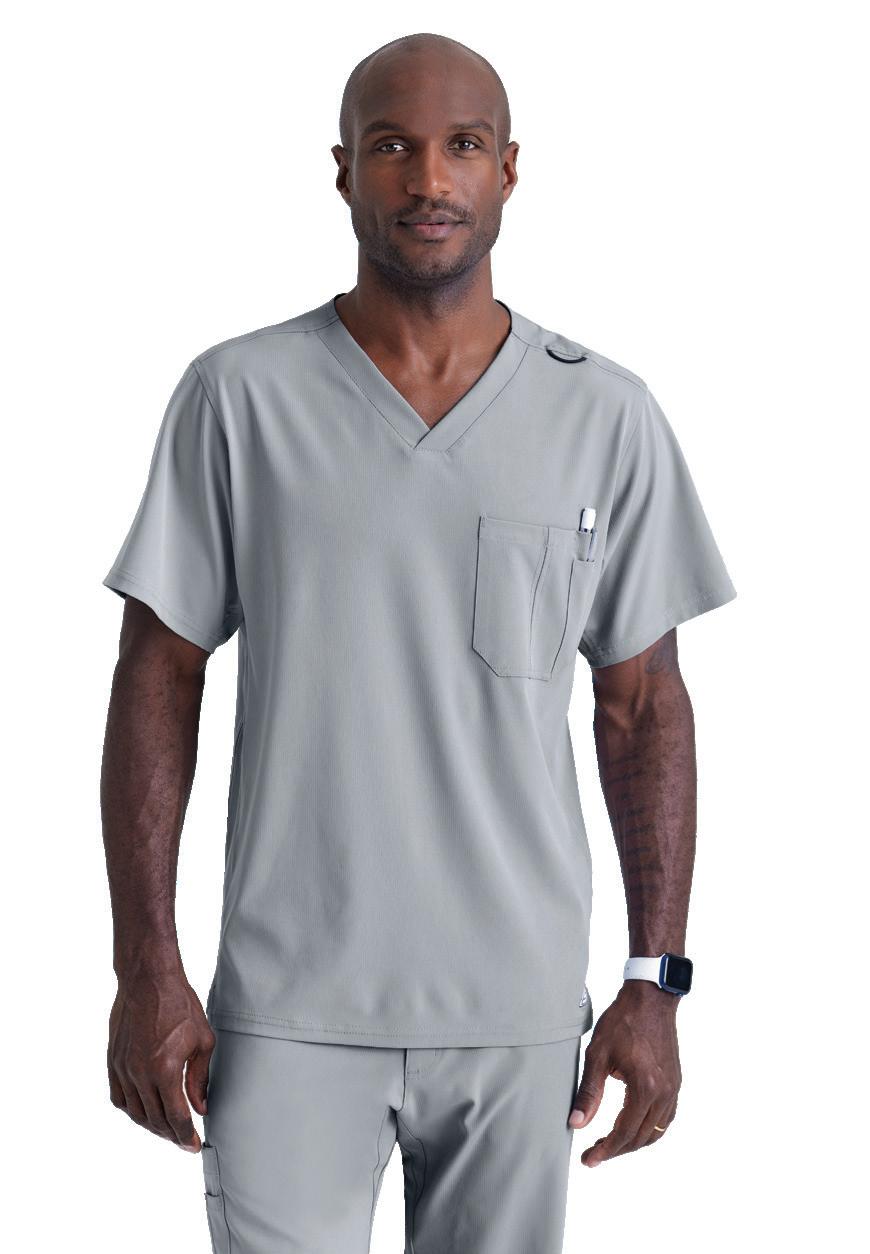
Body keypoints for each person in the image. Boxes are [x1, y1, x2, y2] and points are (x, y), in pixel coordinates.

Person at [100, 30, 737, 1254]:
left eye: (463, 145)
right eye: (392, 146)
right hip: (287, 1010)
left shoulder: (604, 414)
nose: (429, 178)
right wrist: (146, 966)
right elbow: (157, 677)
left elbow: (644, 706)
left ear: (510, 169)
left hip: (517, 1013)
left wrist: (653, 980)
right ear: (343, 170)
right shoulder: (240, 398)